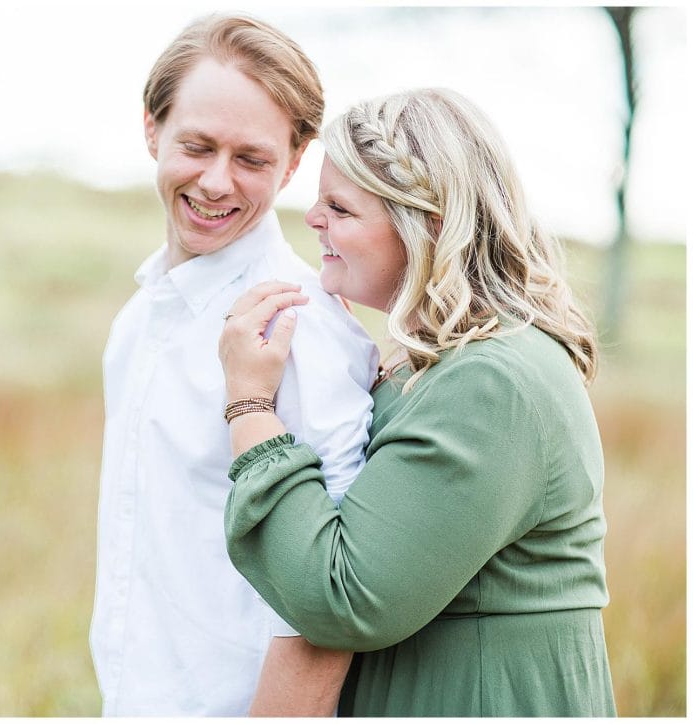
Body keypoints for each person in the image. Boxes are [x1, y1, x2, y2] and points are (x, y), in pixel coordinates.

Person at [218, 87, 616, 716]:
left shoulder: (491, 382)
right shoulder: (447, 359)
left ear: (428, 225)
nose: (312, 220)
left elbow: (342, 598)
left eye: (340, 208)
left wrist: (250, 407)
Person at [89, 13, 379, 717]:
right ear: (152, 130)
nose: (216, 182)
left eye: (250, 159)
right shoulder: (137, 322)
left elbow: (327, 601)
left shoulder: (303, 329)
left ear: (295, 161)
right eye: (196, 146)